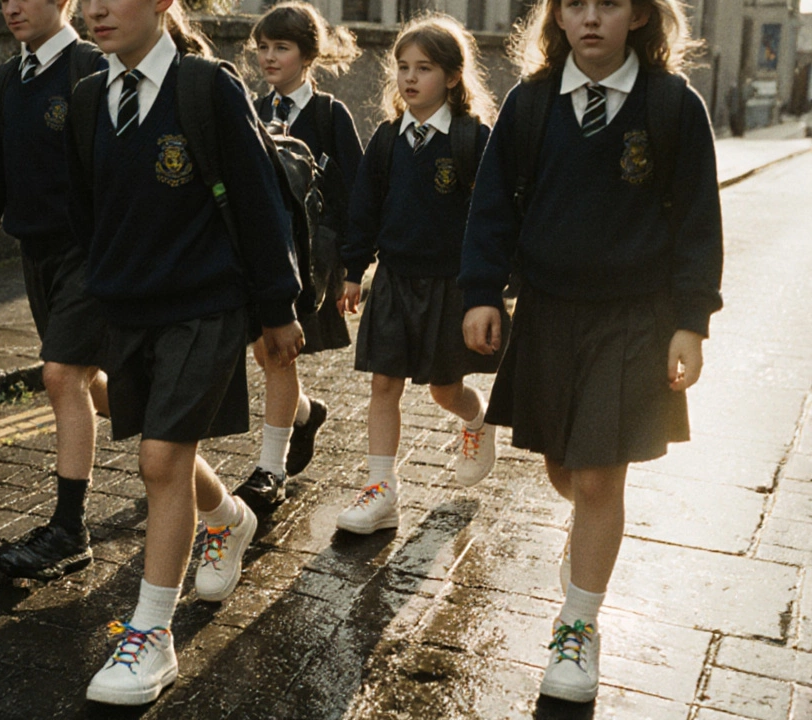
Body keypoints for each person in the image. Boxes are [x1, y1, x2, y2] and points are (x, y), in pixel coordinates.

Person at [460, 0, 722, 703]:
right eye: (574, 4)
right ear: (557, 18)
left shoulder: (673, 106)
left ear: (638, 16)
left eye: (609, 3)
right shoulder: (530, 103)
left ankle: (577, 626)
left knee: (602, 479)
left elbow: (699, 219)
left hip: (636, 317)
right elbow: (491, 207)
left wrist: (691, 322)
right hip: (548, 313)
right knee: (563, 468)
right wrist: (481, 291)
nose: (591, 18)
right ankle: (587, 548)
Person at [66, 0, 304, 704]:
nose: (97, 9)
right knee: (166, 450)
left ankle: (150, 636)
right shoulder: (87, 98)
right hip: (129, 310)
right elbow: (88, 214)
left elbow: (261, 202)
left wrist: (276, 308)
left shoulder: (206, 86)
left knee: (160, 459)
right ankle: (229, 517)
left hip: (206, 306)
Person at [0, 0, 108, 582]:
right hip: (38, 256)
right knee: (97, 385)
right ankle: (204, 489)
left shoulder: (91, 66)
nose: (12, 6)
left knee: (60, 375)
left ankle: (68, 528)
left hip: (90, 254)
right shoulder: (12, 77)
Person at [335, 13, 500, 536]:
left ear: (452, 77)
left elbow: (493, 215)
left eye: (424, 68)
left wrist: (488, 288)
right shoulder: (386, 140)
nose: (409, 78)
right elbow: (363, 208)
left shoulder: (473, 139)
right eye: (402, 67)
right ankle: (382, 490)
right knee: (384, 384)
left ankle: (477, 420)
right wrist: (353, 270)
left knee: (444, 390)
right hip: (395, 281)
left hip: (450, 285)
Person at [235, 1, 365, 511]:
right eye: (263, 48)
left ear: (307, 55)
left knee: (278, 351)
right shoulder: (248, 109)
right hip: (259, 254)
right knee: (264, 352)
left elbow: (356, 194)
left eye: (281, 48)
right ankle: (306, 413)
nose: (269, 58)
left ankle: (270, 469)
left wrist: (354, 270)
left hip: (311, 256)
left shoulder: (331, 115)